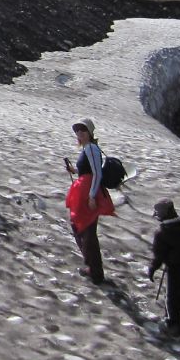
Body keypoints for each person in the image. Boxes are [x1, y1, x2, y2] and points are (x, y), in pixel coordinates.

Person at [63, 118, 115, 283]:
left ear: (90, 133)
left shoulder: (91, 148)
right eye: (77, 131)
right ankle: (93, 267)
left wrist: (92, 196)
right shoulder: (88, 148)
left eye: (83, 131)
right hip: (85, 191)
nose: (79, 134)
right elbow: (89, 170)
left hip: (88, 193)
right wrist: (74, 169)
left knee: (86, 230)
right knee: (83, 228)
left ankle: (95, 271)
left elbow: (97, 173)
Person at [149, 199, 180, 335]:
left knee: (172, 294)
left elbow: (158, 256)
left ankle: (173, 323)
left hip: (174, 267)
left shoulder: (162, 233)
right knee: (179, 290)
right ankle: (176, 315)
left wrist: (152, 269)